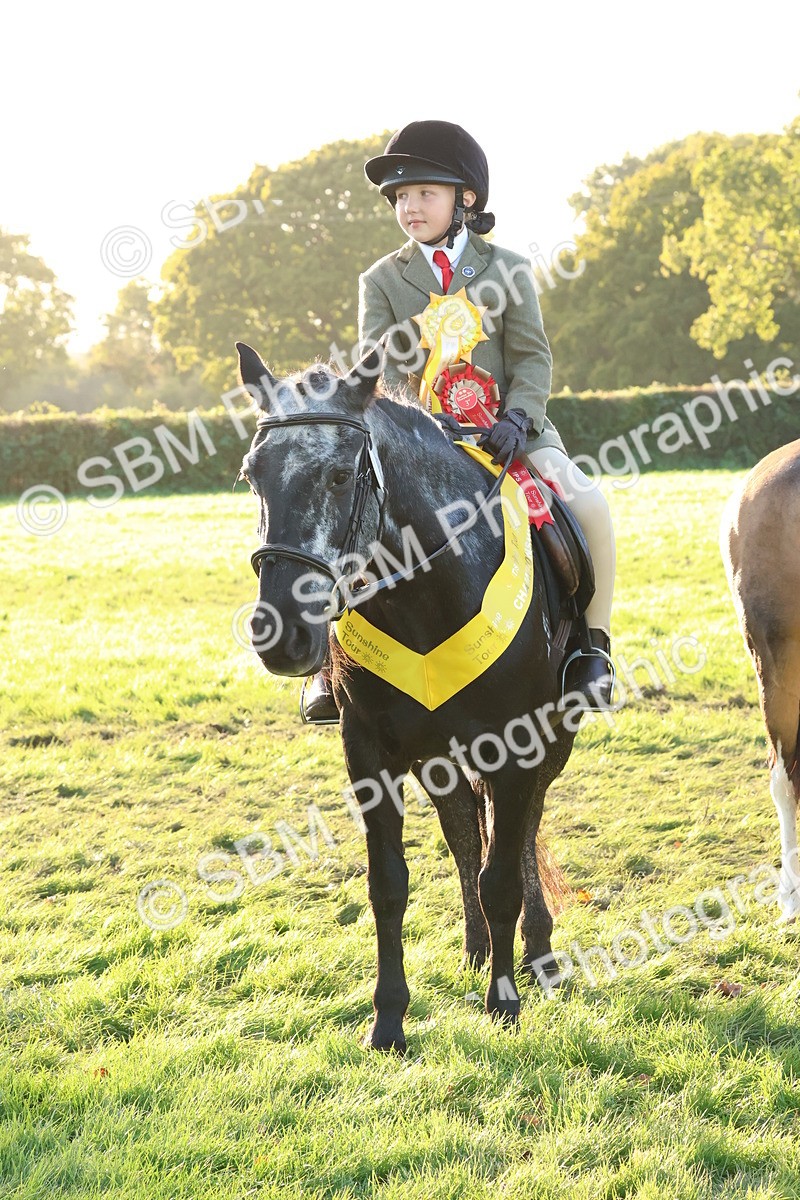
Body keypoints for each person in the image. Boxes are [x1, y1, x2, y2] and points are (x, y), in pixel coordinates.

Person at [302, 120, 616, 723]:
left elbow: (532, 357)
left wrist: (520, 418)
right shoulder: (382, 280)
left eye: (424, 193)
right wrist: (418, 429)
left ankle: (591, 650)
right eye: (400, 197)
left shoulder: (510, 269)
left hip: (511, 436)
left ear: (464, 198)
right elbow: (381, 369)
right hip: (420, 444)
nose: (409, 207)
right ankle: (329, 664)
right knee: (343, 521)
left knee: (591, 503)